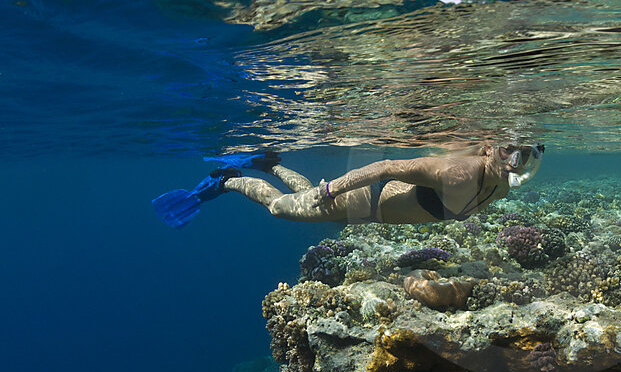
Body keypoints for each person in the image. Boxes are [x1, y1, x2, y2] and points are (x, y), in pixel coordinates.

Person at [152, 144, 544, 228]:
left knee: (299, 192)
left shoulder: (504, 186)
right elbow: (387, 165)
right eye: (510, 150)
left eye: (527, 153)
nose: (517, 161)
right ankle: (231, 180)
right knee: (280, 207)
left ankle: (272, 164)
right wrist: (332, 190)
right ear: (490, 148)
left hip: (370, 211)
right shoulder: (454, 172)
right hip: (363, 202)